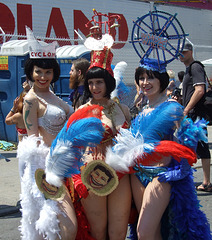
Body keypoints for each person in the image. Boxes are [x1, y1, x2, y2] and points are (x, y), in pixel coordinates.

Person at [105, 58, 211, 239]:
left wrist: (182, 169)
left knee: (144, 231)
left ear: (161, 80)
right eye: (142, 78)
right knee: (154, 231)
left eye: (150, 78)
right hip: (138, 175)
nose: (145, 83)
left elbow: (190, 136)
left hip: (161, 176)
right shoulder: (143, 109)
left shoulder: (173, 108)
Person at [17, 26, 77, 240]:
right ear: (31, 72)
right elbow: (32, 142)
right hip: (47, 167)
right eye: (38, 72)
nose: (43, 77)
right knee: (66, 227)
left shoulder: (52, 96)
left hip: (68, 164)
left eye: (48, 72)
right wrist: (39, 181)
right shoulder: (32, 100)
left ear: (54, 73)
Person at [66, 46, 132, 240]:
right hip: (92, 173)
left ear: (108, 83)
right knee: (98, 231)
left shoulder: (123, 109)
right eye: (91, 83)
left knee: (119, 231)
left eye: (99, 82)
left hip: (120, 173)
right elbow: (68, 145)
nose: (95, 87)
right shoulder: (80, 112)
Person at [179, 42, 212, 192]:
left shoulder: (195, 67)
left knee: (201, 146)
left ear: (191, 52)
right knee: (188, 146)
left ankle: (206, 182)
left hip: (196, 114)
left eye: (184, 52)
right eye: (179, 52)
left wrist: (186, 109)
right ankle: (189, 179)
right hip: (192, 114)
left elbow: (199, 90)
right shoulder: (188, 69)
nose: (181, 55)